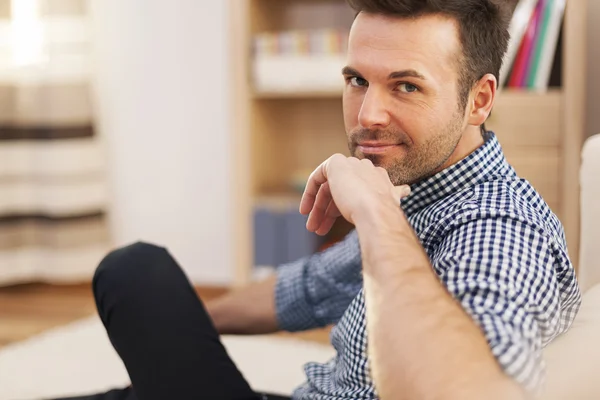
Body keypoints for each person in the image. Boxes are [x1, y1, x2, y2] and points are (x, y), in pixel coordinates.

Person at [53, 0, 581, 399]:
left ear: (479, 100)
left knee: (135, 269)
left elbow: (467, 391)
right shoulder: (430, 191)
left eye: (406, 87)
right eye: (357, 80)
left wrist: (375, 213)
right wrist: (181, 329)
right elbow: (306, 289)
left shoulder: (502, 228)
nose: (367, 115)